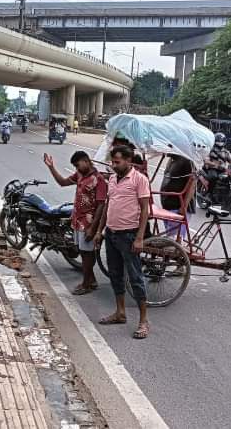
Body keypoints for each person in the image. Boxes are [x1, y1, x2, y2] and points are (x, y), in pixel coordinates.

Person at [93, 145, 152, 339]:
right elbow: (108, 205)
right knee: (115, 274)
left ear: (128, 160)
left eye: (117, 162)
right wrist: (100, 231)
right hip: (111, 233)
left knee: (135, 277)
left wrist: (140, 237)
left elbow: (145, 210)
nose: (113, 165)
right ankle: (120, 312)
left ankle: (143, 321)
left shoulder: (139, 180)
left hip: (129, 235)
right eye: (113, 161)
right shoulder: (112, 179)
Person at [43, 151, 107, 295]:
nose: (76, 169)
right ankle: (91, 280)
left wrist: (93, 228)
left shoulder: (99, 180)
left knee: (87, 254)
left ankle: (86, 283)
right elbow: (62, 182)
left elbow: (101, 205)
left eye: (77, 165)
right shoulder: (79, 175)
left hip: (88, 222)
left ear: (86, 161)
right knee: (83, 253)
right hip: (77, 220)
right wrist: (51, 167)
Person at [158, 154, 194, 240]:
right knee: (169, 238)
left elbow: (192, 185)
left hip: (178, 207)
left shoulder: (186, 161)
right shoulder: (172, 160)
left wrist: (184, 206)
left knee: (174, 241)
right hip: (168, 205)